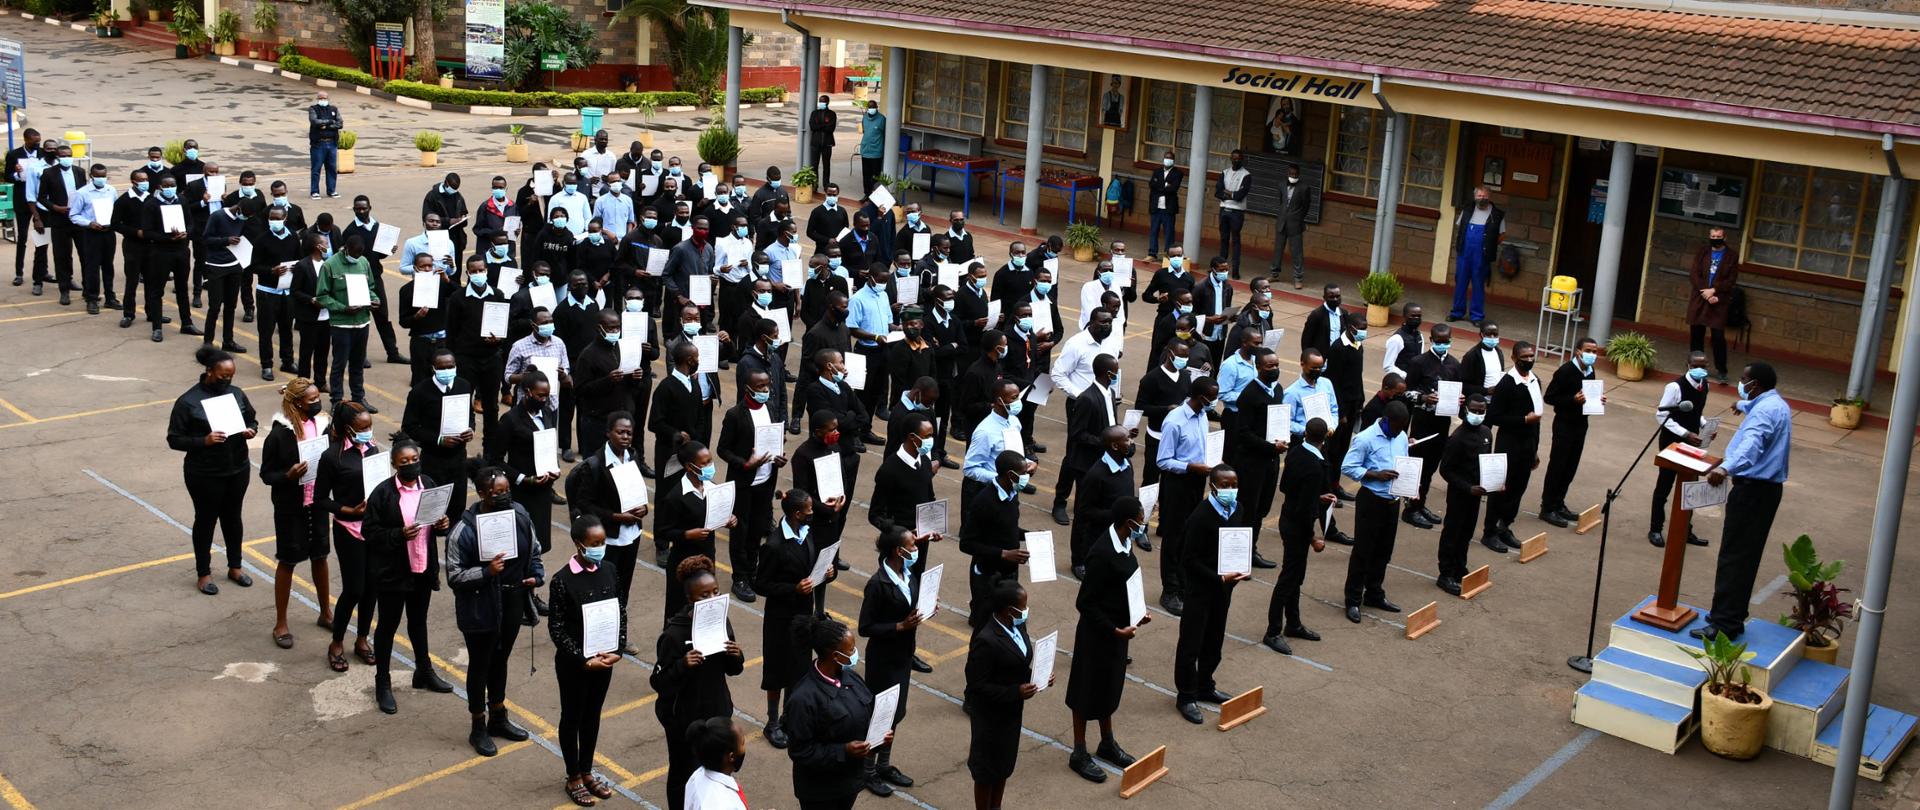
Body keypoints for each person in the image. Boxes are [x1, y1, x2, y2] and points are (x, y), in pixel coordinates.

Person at [446, 465, 544, 754]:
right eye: (496, 493)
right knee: (480, 665)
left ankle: (498, 716)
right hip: (480, 606)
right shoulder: (463, 531)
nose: (503, 496)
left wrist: (536, 575)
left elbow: (535, 549)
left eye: (506, 491)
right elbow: (454, 575)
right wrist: (486, 572)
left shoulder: (520, 514)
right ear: (481, 494)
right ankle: (478, 725)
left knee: (501, 659)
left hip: (513, 600)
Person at [1692, 362, 1792, 641]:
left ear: (1755, 384)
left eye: (1744, 379)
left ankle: (1725, 624)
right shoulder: (1774, 403)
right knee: (1743, 556)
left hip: (1752, 491)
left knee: (1735, 557)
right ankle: (1729, 614)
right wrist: (1742, 404)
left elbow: (1753, 443)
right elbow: (1758, 411)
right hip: (1763, 492)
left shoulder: (1765, 412)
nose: (1740, 382)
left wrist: (1726, 468)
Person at [362, 438, 456, 714]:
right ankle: (383, 682)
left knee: (418, 622)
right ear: (394, 465)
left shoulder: (427, 483)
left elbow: (435, 521)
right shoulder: (383, 493)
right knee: (388, 627)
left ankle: (423, 672)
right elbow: (369, 532)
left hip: (422, 566)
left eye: (414, 459)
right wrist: (397, 535)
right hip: (393, 571)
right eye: (404, 462)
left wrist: (443, 524)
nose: (411, 465)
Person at [1065, 495, 1148, 781]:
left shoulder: (1125, 543)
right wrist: (1114, 629)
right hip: (1097, 635)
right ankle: (1079, 751)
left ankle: (1106, 742)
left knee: (1109, 688)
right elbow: (1085, 603)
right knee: (1085, 691)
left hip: (1118, 631)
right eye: (1141, 518)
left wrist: (1137, 613)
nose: (1143, 523)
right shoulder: (1102, 553)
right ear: (1129, 522)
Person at [653, 555, 746, 810]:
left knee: (715, 773)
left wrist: (736, 656)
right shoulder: (674, 634)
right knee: (683, 773)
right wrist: (683, 665)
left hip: (716, 714)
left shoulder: (721, 623)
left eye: (716, 592)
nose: (712, 599)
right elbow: (658, 681)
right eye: (704, 595)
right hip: (684, 720)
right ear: (690, 599)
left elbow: (734, 670)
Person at [167, 347, 258, 596]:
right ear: (209, 372)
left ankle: (235, 567)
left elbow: (252, 419)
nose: (227, 380)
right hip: (205, 473)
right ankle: (203, 573)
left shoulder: (237, 394)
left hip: (237, 467)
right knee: (206, 521)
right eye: (222, 376)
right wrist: (203, 441)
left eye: (231, 376)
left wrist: (250, 429)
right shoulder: (188, 402)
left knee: (233, 518)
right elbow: (174, 439)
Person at [548, 516, 625, 806]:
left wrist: (617, 649)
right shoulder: (562, 580)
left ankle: (587, 770)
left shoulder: (610, 570)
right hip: (575, 664)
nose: (600, 548)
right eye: (594, 544)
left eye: (603, 542)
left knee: (592, 716)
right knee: (572, 717)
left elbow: (621, 610)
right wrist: (582, 659)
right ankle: (573, 776)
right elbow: (556, 628)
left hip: (604, 659)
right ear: (579, 544)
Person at [258, 377, 334, 648]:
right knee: (288, 560)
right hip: (291, 507)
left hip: (318, 502)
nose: (317, 403)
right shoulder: (280, 434)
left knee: (320, 556)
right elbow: (266, 474)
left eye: (318, 399)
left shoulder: (323, 425)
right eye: (312, 400)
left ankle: (326, 612)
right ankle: (281, 622)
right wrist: (288, 475)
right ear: (297, 403)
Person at [756, 490, 831, 749]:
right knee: (777, 671)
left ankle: (790, 716)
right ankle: (773, 722)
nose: (813, 513)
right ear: (797, 513)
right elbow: (761, 584)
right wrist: (792, 590)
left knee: (798, 669)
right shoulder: (775, 545)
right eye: (809, 510)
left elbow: (810, 569)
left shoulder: (807, 535)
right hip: (780, 618)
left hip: (803, 616)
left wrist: (826, 573)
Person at [785, 614, 880, 810]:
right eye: (851, 649)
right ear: (836, 656)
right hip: (821, 791)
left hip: (849, 781)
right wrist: (843, 750)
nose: (855, 652)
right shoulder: (804, 698)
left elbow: (866, 713)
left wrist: (878, 737)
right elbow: (800, 751)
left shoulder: (852, 679)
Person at [856, 527, 923, 797]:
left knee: (896, 713)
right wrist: (899, 626)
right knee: (880, 715)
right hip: (883, 660)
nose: (916, 549)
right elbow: (865, 627)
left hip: (903, 655)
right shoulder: (878, 584)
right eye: (912, 545)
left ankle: (883, 765)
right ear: (899, 550)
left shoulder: (908, 575)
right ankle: (867, 771)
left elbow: (910, 607)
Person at [966, 580, 1044, 809]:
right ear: (1010, 610)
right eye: (1023, 605)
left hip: (1011, 713)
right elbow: (976, 686)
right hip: (990, 717)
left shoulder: (1018, 626)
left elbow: (1019, 663)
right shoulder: (986, 640)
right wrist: (1014, 691)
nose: (1026, 610)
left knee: (1003, 766)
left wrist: (1035, 676)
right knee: (986, 770)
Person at [715, 370, 788, 601]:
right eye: (760, 387)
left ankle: (753, 569)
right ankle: (740, 577)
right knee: (741, 531)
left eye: (767, 385)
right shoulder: (735, 415)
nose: (765, 390)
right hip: (744, 483)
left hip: (765, 481)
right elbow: (722, 449)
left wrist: (778, 457)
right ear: (748, 388)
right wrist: (745, 463)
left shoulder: (771, 409)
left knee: (758, 528)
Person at [318, 402, 379, 670]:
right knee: (354, 589)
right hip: (349, 529)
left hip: (374, 529)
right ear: (348, 430)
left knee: (372, 589)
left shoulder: (372, 449)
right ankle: (337, 642)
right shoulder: (332, 457)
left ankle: (362, 639)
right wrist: (348, 509)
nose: (368, 432)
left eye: (369, 426)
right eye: (363, 428)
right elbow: (320, 500)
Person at [1265, 417, 1334, 653]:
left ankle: (1293, 623)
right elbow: (1306, 511)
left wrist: (1315, 497)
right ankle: (1273, 631)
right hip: (1298, 528)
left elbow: (1285, 487)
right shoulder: (1316, 466)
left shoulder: (1294, 452)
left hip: (1288, 518)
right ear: (1325, 438)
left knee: (1295, 577)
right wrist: (1313, 538)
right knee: (1288, 579)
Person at [1341, 401, 1411, 623]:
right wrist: (1374, 474)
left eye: (1403, 427)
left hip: (1393, 501)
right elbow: (1348, 466)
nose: (1401, 431)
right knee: (1363, 551)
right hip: (1372, 500)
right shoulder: (1365, 438)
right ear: (1387, 420)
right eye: (1398, 426)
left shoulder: (1400, 436)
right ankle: (1352, 599)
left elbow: (1405, 463)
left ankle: (1374, 592)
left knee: (1384, 551)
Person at [1154, 376, 1219, 615]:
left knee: (1189, 534)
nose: (1215, 402)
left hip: (1196, 482)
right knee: (1173, 537)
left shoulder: (1202, 415)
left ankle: (1182, 582)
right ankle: (1169, 590)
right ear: (1201, 397)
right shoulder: (1175, 422)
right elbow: (1163, 460)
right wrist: (1190, 467)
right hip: (1177, 484)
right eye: (1212, 398)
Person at [1228, 351, 1288, 568]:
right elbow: (1243, 434)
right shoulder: (1250, 395)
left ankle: (1251, 550)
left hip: (1271, 461)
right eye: (1270, 366)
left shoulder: (1278, 390)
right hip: (1251, 462)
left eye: (1277, 365)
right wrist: (1270, 446)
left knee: (1262, 508)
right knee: (1248, 509)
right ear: (1259, 367)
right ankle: (1238, 555)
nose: (1274, 369)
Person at [961, 450, 1034, 625]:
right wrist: (1003, 554)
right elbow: (966, 543)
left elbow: (1006, 527)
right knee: (985, 622)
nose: (1026, 477)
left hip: (1009, 572)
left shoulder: (1012, 494)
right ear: (1010, 475)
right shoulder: (984, 502)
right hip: (988, 574)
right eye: (1024, 473)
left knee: (1005, 620)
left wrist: (1031, 536)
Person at [1649, 351, 1714, 548]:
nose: (1699, 370)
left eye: (1703, 366)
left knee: (1690, 487)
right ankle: (1655, 528)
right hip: (1673, 441)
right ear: (1687, 365)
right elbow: (1662, 415)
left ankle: (1686, 529)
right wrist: (1685, 433)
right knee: (1664, 485)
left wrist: (1705, 425)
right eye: (1695, 366)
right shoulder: (1674, 387)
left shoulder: (1705, 386)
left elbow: (1697, 412)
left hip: (1692, 442)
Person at [1483, 342, 1543, 550]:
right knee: (1500, 489)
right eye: (1524, 357)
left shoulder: (1536, 381)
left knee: (1518, 489)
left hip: (1527, 446)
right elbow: (1495, 416)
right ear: (1514, 358)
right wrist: (1523, 420)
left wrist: (1535, 449)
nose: (1528, 360)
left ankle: (1505, 526)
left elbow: (1538, 418)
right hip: (1509, 445)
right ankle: (1489, 531)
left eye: (1531, 356)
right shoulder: (1507, 384)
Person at [788, 412, 857, 590]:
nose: (836, 432)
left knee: (828, 567)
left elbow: (843, 477)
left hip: (833, 517)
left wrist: (841, 500)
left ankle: (819, 610)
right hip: (814, 521)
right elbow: (802, 493)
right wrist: (825, 508)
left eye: (836, 428)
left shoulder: (835, 448)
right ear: (818, 431)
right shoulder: (803, 455)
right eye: (831, 429)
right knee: (813, 567)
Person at [1400, 323, 1459, 529]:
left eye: (1447, 341)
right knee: (1418, 466)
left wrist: (1459, 399)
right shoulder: (1418, 362)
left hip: (1442, 422)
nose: (1443, 345)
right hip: (1423, 422)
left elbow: (1458, 389)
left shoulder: (1454, 364)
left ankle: (1420, 503)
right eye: (1439, 341)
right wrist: (1425, 397)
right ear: (1432, 340)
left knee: (1432, 466)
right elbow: (1406, 392)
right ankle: (1410, 508)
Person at [1539, 337, 1603, 527]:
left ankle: (1559, 503)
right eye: (1588, 350)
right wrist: (1572, 399)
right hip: (1564, 424)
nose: (1592, 354)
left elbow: (1589, 397)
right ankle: (1547, 507)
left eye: (1595, 351)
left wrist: (1598, 400)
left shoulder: (1591, 372)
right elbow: (1550, 397)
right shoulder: (1566, 371)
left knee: (1571, 466)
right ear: (1578, 351)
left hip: (1581, 424)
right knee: (1558, 465)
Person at [1054, 351, 1123, 528]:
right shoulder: (1087, 399)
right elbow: (1077, 434)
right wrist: (1103, 442)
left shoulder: (1111, 392)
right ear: (1108, 374)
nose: (1118, 373)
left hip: (1104, 457)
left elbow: (1110, 420)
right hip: (1087, 460)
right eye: (1116, 371)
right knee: (1084, 505)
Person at [1436, 395, 1495, 594]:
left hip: (1476, 494)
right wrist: (1467, 488)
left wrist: (1494, 481)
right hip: (1460, 494)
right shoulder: (1457, 438)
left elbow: (1489, 462)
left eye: (1481, 411)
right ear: (1466, 411)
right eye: (1474, 410)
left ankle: (1460, 567)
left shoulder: (1487, 433)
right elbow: (1446, 470)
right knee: (1453, 532)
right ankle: (1445, 573)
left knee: (1467, 532)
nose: (1478, 414)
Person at [315, 236, 382, 411]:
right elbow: (322, 296)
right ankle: (336, 400)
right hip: (341, 325)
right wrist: (343, 308)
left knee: (358, 363)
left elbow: (371, 287)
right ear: (346, 249)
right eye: (354, 253)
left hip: (362, 322)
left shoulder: (363, 262)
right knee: (339, 364)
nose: (357, 256)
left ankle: (359, 398)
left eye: (360, 253)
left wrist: (374, 300)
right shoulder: (330, 265)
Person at [1688, 227, 1740, 384]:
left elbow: (1731, 280)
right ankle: (1696, 367)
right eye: (1712, 236)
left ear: (1724, 237)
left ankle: (1721, 370)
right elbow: (1694, 274)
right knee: (1697, 333)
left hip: (1719, 300)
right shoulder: (1703, 252)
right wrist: (1705, 292)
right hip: (1700, 297)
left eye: (1718, 236)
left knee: (1718, 336)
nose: (1715, 238)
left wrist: (1714, 291)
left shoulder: (1731, 256)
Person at [1447, 187, 1505, 325]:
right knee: (1460, 282)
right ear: (1475, 197)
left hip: (1482, 255)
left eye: (1484, 195)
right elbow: (1460, 228)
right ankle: (1457, 312)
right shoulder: (1467, 210)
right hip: (1464, 254)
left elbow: (1502, 235)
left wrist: (1487, 244)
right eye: (1479, 195)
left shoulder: (1497, 214)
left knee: (1478, 285)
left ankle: (1477, 317)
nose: (1482, 198)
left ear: (1489, 197)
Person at [684, 718, 750, 810]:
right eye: (742, 743)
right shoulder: (728, 805)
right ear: (731, 757)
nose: (744, 747)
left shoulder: (696, 777)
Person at [1270, 164, 1312, 288]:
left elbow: (1306, 206)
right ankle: (1274, 274)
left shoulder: (1304, 187)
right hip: (1281, 222)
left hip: (1296, 224)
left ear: (1298, 174)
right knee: (1278, 250)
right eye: (1291, 174)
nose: (1293, 176)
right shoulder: (1281, 184)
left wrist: (1298, 217)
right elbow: (1281, 201)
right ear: (1287, 173)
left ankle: (1298, 278)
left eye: (1295, 174)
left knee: (1297, 252)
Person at [1212, 150, 1250, 278]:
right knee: (1223, 239)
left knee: (1235, 240)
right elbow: (1218, 192)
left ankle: (1235, 271)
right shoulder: (1225, 172)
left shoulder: (1246, 175)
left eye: (1238, 158)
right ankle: (1220, 268)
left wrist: (1228, 193)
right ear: (1230, 158)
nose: (1235, 160)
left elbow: (1240, 196)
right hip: (1224, 209)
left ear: (1242, 159)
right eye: (1233, 158)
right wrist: (1231, 194)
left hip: (1237, 211)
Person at [423, 173, 471, 270]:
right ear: (446, 183)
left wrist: (462, 220)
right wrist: (449, 221)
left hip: (456, 239)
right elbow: (427, 218)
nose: (454, 190)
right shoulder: (432, 196)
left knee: (455, 269)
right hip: (439, 238)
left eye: (456, 188)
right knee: (440, 267)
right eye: (452, 187)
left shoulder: (458, 196)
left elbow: (464, 212)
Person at [1146, 150, 1181, 260]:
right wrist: (1165, 185)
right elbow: (1151, 184)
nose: (1168, 159)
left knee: (1169, 233)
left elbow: (1173, 188)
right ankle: (1152, 253)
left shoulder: (1177, 173)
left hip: (1168, 209)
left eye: (1170, 158)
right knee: (1153, 231)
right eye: (1166, 157)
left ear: (1173, 161)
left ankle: (1168, 255)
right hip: (1156, 207)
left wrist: (1159, 186)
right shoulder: (1157, 171)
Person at [308, 91, 343, 198]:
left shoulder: (334, 109)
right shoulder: (313, 109)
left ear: (328, 98)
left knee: (332, 168)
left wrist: (325, 125)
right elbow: (314, 121)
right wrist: (330, 122)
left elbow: (340, 123)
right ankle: (315, 191)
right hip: (319, 144)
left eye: (325, 98)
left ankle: (331, 190)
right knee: (316, 168)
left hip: (332, 143)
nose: (323, 100)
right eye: (321, 98)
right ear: (318, 99)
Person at [1381, 302, 1424, 377]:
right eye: (1413, 316)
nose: (1416, 319)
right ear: (1404, 317)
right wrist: (1406, 376)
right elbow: (1388, 366)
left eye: (1419, 316)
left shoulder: (1419, 336)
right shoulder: (1397, 339)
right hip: (1401, 382)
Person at [807, 95, 838, 188]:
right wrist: (824, 125)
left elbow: (830, 128)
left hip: (827, 143)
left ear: (827, 103)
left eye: (823, 101)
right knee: (814, 165)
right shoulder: (814, 113)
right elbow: (812, 126)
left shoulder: (832, 114)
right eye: (820, 101)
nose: (821, 103)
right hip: (815, 143)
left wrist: (819, 126)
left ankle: (826, 184)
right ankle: (814, 185)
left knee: (826, 165)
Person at [858, 100, 885, 199]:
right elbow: (865, 131)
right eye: (869, 107)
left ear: (876, 107)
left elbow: (885, 134)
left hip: (876, 152)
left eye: (873, 107)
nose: (871, 109)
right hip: (865, 151)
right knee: (866, 175)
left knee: (875, 176)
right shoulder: (864, 117)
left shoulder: (882, 119)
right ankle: (867, 194)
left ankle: (875, 196)